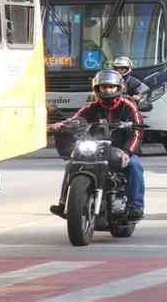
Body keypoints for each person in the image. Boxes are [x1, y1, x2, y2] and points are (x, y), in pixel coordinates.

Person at [50, 70, 145, 220]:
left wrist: (128, 151)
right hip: (96, 149)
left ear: (118, 88)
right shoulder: (91, 107)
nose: (107, 90)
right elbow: (75, 119)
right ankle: (63, 203)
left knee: (135, 166)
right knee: (71, 164)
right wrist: (61, 125)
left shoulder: (129, 106)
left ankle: (136, 206)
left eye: (110, 87)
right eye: (103, 87)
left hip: (121, 150)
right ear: (97, 89)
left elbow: (138, 130)